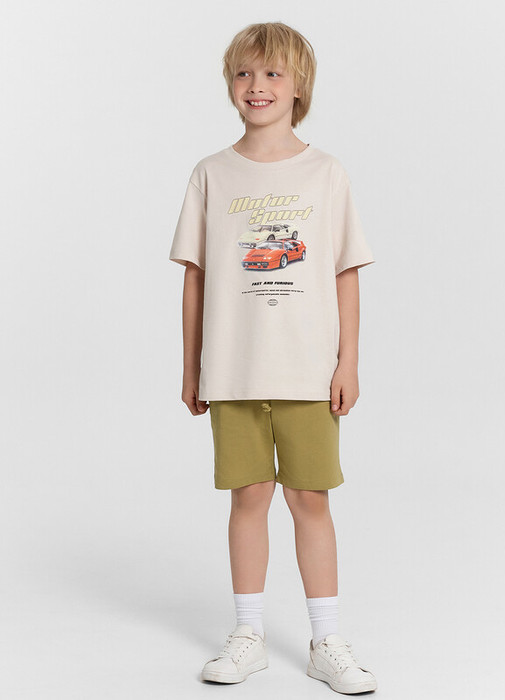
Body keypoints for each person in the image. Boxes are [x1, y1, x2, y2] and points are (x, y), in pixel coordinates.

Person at [169, 21, 378, 695]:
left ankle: (326, 641)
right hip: (233, 369)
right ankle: (249, 634)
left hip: (308, 370)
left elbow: (345, 272)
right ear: (230, 85)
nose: (256, 86)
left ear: (298, 87)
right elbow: (196, 276)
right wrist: (191, 366)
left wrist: (347, 362)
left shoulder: (325, 172)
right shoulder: (211, 173)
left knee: (310, 497)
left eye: (271, 74)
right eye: (243, 73)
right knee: (248, 496)